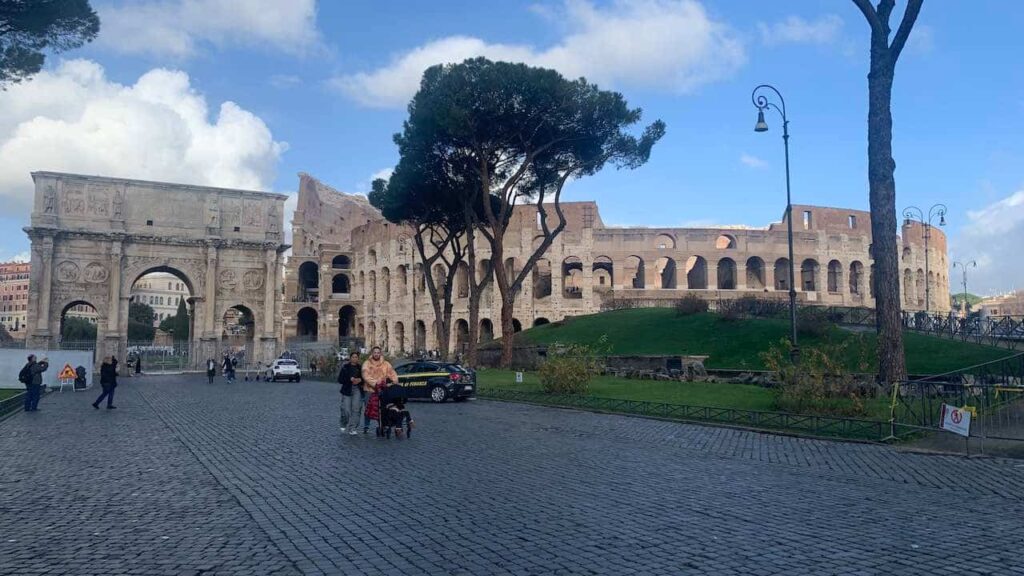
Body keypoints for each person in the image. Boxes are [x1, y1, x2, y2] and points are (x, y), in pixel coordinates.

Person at [361, 346, 398, 434]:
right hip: (370, 390)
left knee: (381, 409)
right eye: (375, 352)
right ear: (372, 353)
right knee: (368, 409)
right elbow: (365, 376)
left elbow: (392, 373)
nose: (376, 354)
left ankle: (381, 425)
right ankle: (366, 426)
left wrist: (394, 381)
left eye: (378, 352)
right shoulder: (367, 363)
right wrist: (375, 383)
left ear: (380, 353)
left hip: (382, 390)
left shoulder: (386, 364)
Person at [337, 352, 363, 435]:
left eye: (356, 357)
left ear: (358, 359)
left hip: (357, 389)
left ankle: (352, 428)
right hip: (347, 389)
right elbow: (340, 380)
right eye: (353, 357)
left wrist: (360, 380)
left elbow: (364, 378)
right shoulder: (345, 367)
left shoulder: (360, 368)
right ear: (350, 358)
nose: (355, 358)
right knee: (346, 410)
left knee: (356, 409)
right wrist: (349, 379)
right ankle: (343, 422)